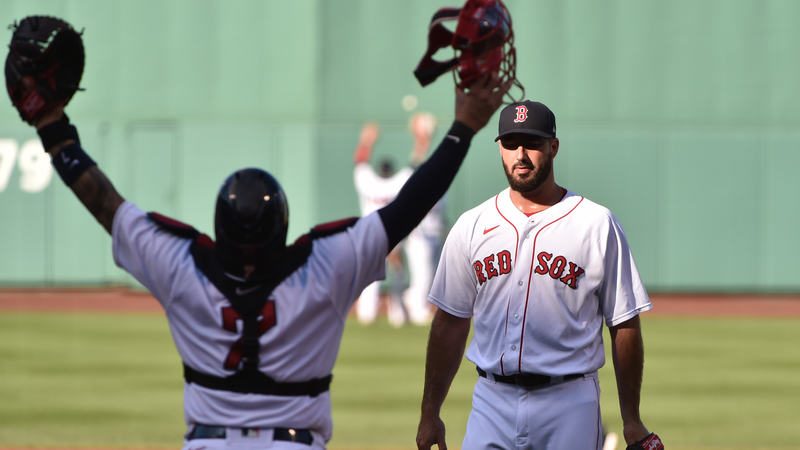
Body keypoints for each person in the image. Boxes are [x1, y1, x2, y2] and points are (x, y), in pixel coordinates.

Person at [22, 63, 510, 448]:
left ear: (218, 225)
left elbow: (103, 202)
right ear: (283, 224)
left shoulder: (179, 265)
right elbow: (409, 207)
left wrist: (51, 126)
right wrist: (463, 126)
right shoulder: (328, 265)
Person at [416, 101, 663, 450]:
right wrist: (429, 412)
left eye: (532, 143)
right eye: (510, 143)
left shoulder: (595, 224)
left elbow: (624, 323)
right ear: (500, 148)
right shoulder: (471, 225)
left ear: (553, 147)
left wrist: (631, 419)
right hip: (491, 402)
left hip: (569, 402)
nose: (520, 154)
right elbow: (449, 323)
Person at [352, 122, 418, 327]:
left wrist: (367, 141)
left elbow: (360, 161)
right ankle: (398, 314)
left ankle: (367, 313)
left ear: (380, 171)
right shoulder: (397, 182)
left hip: (371, 232)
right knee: (398, 272)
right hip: (392, 234)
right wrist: (420, 139)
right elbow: (414, 164)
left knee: (370, 274)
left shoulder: (368, 181)